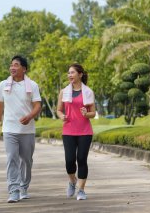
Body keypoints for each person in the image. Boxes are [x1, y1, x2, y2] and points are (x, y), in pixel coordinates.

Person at [0, 55, 42, 203]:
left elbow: (37, 105)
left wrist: (30, 116)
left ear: (24, 68)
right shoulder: (3, 84)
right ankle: (13, 191)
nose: (12, 68)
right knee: (11, 159)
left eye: (16, 65)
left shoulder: (32, 85)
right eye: (11, 65)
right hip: (9, 129)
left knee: (26, 161)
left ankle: (24, 187)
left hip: (27, 130)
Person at [57, 63, 96, 201]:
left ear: (80, 74)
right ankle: (72, 181)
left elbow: (93, 112)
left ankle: (81, 190)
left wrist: (87, 113)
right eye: (69, 73)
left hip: (85, 131)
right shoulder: (63, 92)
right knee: (69, 161)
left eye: (72, 72)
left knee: (81, 159)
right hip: (68, 131)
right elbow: (59, 110)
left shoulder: (88, 92)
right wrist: (62, 116)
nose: (69, 75)